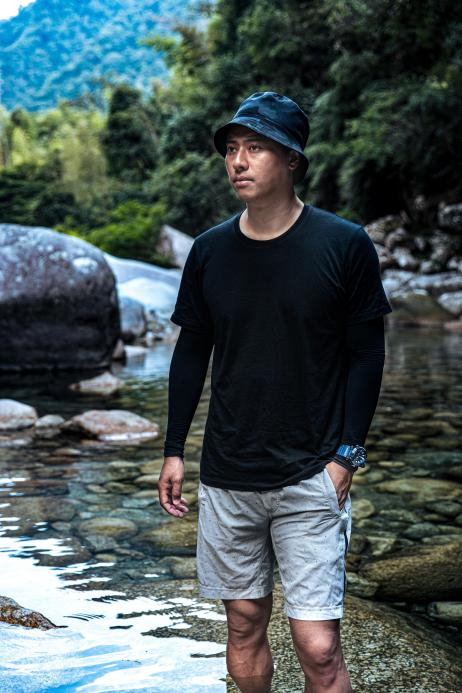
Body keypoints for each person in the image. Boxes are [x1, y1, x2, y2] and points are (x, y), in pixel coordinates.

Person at [158, 91, 393, 693]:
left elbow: (367, 356)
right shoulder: (209, 251)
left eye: (256, 147)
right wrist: (173, 450)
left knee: (318, 647)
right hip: (229, 472)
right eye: (232, 149)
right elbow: (191, 353)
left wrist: (347, 456)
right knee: (243, 623)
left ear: (291, 159)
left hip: (312, 471)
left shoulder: (343, 243)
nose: (238, 160)